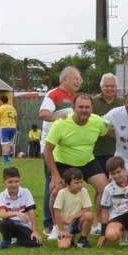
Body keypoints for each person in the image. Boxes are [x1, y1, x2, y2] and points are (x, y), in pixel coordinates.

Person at [43, 94, 111, 239]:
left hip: (87, 161)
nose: (84, 110)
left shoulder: (97, 121)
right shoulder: (61, 123)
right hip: (63, 163)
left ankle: (97, 223)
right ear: (73, 108)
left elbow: (111, 131)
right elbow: (47, 151)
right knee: (55, 191)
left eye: (87, 107)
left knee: (105, 189)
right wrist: (55, 175)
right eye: (80, 107)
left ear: (92, 108)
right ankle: (56, 227)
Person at [38, 66, 82, 235]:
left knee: (71, 182)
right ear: (65, 80)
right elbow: (43, 114)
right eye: (76, 78)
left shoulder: (76, 98)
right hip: (52, 148)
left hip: (70, 148)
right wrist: (58, 116)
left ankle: (70, 221)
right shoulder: (53, 94)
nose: (79, 81)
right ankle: (49, 224)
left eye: (80, 79)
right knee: (53, 184)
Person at [0, 166, 43, 249]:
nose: (14, 184)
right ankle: (6, 239)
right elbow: (2, 214)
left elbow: (31, 212)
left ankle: (17, 240)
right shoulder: (2, 195)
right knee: (5, 223)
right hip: (8, 225)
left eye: (16, 181)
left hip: (23, 225)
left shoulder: (26, 192)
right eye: (10, 182)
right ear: (3, 182)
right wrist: (16, 213)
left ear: (20, 181)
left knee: (36, 243)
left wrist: (34, 231)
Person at [52, 168, 95, 249]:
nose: (80, 185)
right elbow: (57, 212)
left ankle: (83, 240)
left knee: (89, 215)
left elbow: (86, 209)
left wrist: (71, 217)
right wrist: (61, 230)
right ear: (67, 184)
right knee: (63, 246)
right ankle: (70, 237)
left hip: (77, 222)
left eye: (81, 182)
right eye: (76, 183)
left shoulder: (84, 191)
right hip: (65, 226)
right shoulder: (62, 193)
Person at [90, 73, 123, 173]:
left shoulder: (123, 103)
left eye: (112, 86)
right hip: (98, 150)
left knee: (121, 181)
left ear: (116, 87)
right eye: (106, 86)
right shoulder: (92, 102)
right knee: (101, 183)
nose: (109, 88)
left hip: (119, 151)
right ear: (101, 87)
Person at [0, 94, 17, 165]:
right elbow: (15, 117)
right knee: (8, 143)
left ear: (1, 101)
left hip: (4, 127)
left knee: (4, 144)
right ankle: (8, 158)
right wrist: (15, 125)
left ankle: (6, 161)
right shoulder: (12, 108)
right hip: (12, 127)